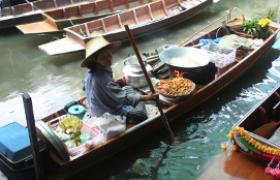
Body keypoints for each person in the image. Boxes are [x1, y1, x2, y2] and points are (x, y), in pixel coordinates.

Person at [81, 36, 157, 124]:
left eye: (109, 55)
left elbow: (85, 87)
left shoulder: (91, 71)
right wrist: (147, 97)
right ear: (95, 59)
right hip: (107, 115)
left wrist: (112, 86)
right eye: (103, 57)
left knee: (128, 88)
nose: (108, 59)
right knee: (141, 112)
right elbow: (124, 99)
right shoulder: (105, 80)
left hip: (97, 108)